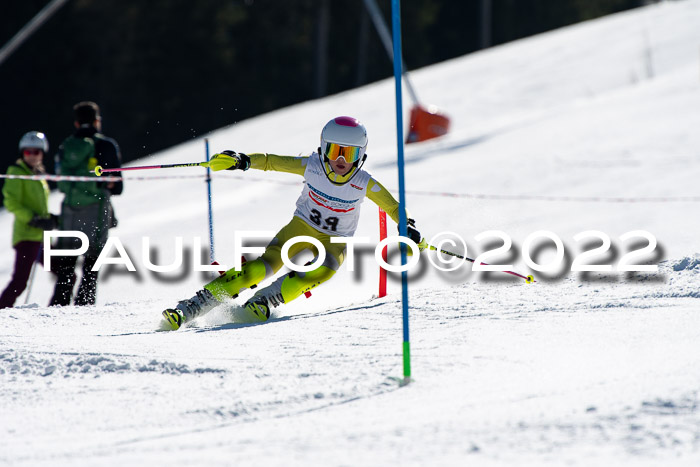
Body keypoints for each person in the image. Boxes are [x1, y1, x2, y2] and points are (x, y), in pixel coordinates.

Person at [162, 116, 421, 329]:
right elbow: (271, 162)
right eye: (334, 151)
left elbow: (393, 206)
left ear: (360, 155)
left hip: (335, 241)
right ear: (323, 148)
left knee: (323, 270)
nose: (340, 160)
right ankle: (190, 308)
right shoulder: (313, 166)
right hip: (300, 228)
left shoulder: (363, 182)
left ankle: (264, 301)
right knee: (257, 270)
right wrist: (243, 160)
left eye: (349, 153)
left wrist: (406, 225)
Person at [49, 101, 123, 306]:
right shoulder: (106, 145)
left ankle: (58, 307)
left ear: (76, 123)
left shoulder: (66, 146)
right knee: (91, 265)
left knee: (66, 266)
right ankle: (84, 306)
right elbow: (117, 186)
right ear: (97, 121)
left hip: (70, 210)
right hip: (97, 209)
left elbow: (60, 182)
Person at [1, 131, 58, 309]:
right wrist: (33, 219)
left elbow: (38, 204)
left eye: (37, 152)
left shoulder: (39, 175)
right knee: (20, 282)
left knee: (65, 273)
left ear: (43, 153)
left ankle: (58, 309)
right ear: (22, 153)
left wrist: (50, 219)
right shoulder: (16, 172)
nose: (32, 156)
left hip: (41, 238)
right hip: (26, 237)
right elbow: (12, 202)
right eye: (28, 152)